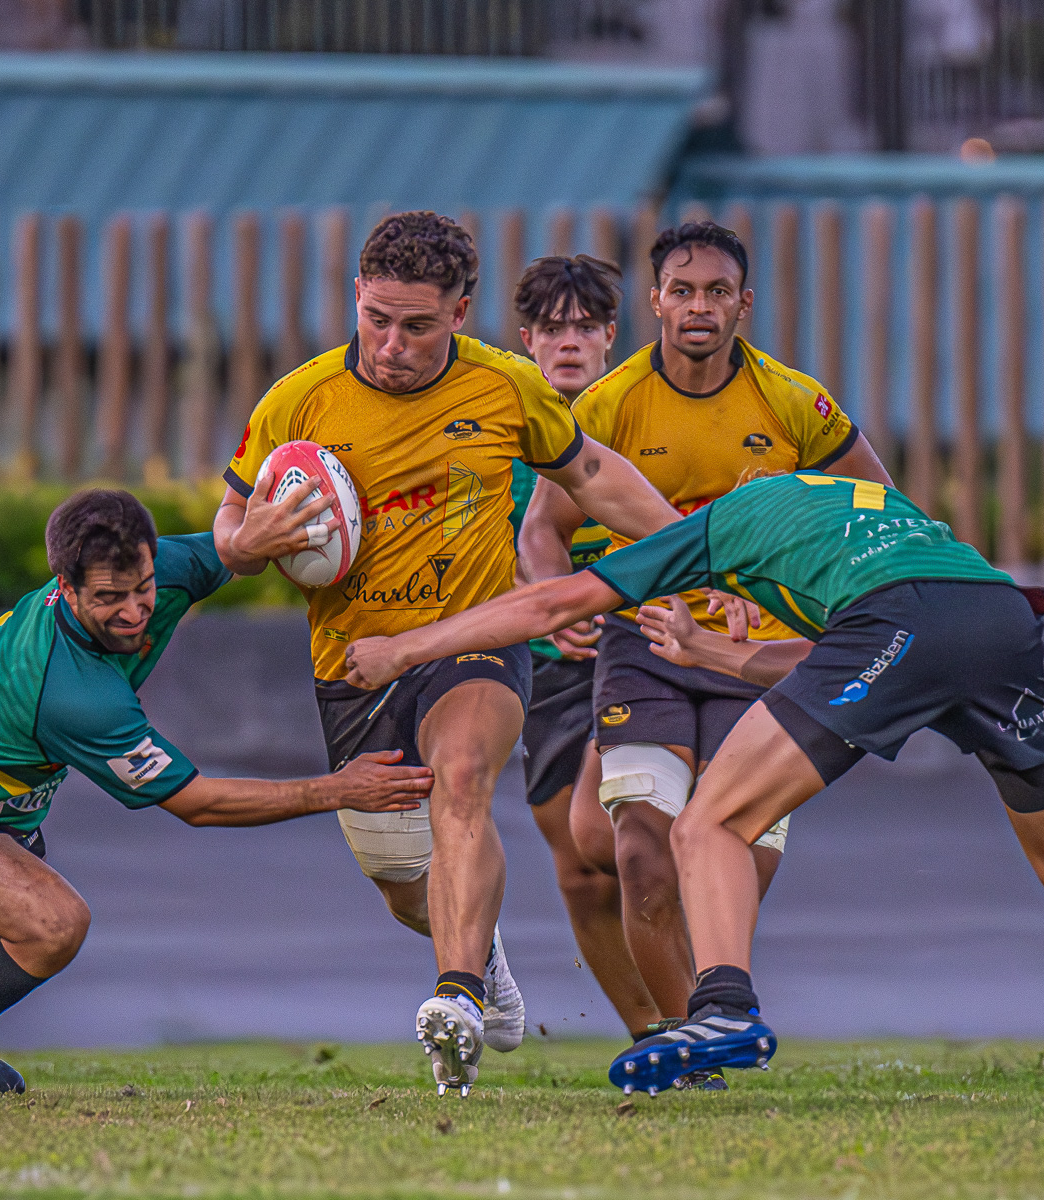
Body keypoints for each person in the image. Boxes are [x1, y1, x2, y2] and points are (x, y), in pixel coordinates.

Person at [342, 471, 1044, 1109]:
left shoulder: (722, 522)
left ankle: (724, 1013)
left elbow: (553, 606)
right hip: (995, 618)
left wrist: (405, 649)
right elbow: (856, 645)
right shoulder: (855, 508)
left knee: (707, 820)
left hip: (903, 623)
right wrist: (718, 653)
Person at [213, 212, 678, 1095]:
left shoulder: (507, 387)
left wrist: (708, 549)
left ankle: (456, 1000)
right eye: (377, 319)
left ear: (460, 311)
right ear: (357, 295)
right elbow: (231, 522)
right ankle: (483, 957)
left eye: (418, 325)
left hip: (477, 642)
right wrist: (246, 541)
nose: (391, 345)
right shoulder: (298, 400)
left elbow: (594, 476)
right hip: (354, 665)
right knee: (399, 878)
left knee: (463, 777)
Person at [0, 489, 434, 1103]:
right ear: (67, 588)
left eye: (142, 589)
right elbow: (198, 803)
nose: (133, 612)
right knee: (52, 923)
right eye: (108, 599)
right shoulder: (75, 695)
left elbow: (233, 551)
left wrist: (270, 532)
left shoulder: (159, 565)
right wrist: (339, 790)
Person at [518, 220, 894, 1089]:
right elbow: (546, 528)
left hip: (756, 659)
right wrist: (558, 610)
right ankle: (694, 1049)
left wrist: (793, 580)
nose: (698, 307)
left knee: (726, 861)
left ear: (742, 304)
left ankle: (702, 1018)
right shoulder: (608, 405)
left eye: (716, 292)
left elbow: (876, 511)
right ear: (655, 301)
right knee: (638, 850)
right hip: (642, 645)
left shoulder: (796, 403)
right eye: (681, 291)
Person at [510, 254, 660, 1041]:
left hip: (644, 650)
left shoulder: (636, 414)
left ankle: (707, 1002)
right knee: (577, 867)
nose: (568, 343)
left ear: (610, 336)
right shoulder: (500, 433)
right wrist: (544, 604)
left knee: (615, 837)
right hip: (545, 669)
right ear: (527, 341)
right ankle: (651, 1032)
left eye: (584, 327)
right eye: (551, 329)